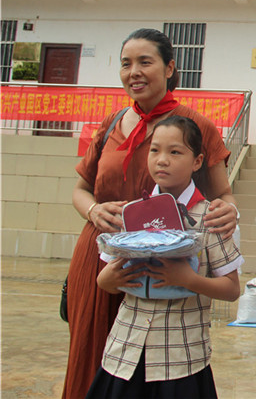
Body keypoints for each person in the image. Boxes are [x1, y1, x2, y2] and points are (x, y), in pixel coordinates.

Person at [64, 28, 239, 399]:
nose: (134, 72)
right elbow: (80, 189)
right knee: (96, 360)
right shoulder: (111, 123)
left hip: (168, 259)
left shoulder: (197, 126)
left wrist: (229, 211)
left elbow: (223, 193)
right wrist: (94, 210)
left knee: (162, 365)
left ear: (170, 68)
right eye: (126, 64)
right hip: (106, 256)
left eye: (145, 62)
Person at [87, 116, 242, 398]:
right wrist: (108, 279)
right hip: (125, 352)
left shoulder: (212, 217)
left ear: (197, 161)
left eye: (175, 152)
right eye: (155, 150)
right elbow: (107, 281)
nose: (162, 160)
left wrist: (188, 280)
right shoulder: (132, 213)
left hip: (180, 357)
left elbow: (232, 290)